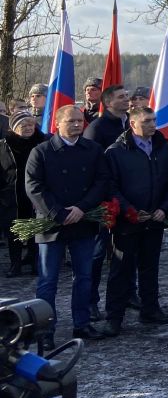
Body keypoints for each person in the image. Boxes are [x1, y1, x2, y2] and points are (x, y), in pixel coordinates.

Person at [24, 105, 109, 343]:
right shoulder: (41, 152)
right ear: (57, 124)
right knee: (48, 280)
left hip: (83, 221)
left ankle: (81, 325)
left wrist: (82, 208)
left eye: (79, 121)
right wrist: (59, 213)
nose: (76, 125)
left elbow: (102, 181)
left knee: (83, 277)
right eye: (71, 121)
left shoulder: (92, 150)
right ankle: (44, 331)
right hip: (52, 224)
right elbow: (34, 187)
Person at [95, 107, 168, 336]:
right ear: (132, 124)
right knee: (121, 270)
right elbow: (110, 186)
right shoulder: (115, 152)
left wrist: (165, 208)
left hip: (155, 218)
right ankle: (114, 317)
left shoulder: (164, 149)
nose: (153, 125)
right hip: (127, 222)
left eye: (154, 120)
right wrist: (129, 211)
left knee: (150, 267)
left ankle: (150, 309)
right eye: (147, 121)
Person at [83, 83, 131, 320]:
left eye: (127, 96)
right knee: (97, 255)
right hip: (103, 201)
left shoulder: (131, 122)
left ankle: (129, 293)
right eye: (121, 97)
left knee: (127, 251)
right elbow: (91, 164)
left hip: (128, 197)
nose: (127, 100)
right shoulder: (97, 127)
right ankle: (90, 301)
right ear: (108, 102)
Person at [1, 110, 46, 275]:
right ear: (13, 127)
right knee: (15, 230)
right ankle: (15, 263)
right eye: (23, 125)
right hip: (12, 194)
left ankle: (35, 261)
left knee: (37, 228)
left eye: (31, 124)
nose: (28, 128)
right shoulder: (3, 145)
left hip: (37, 192)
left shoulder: (43, 142)